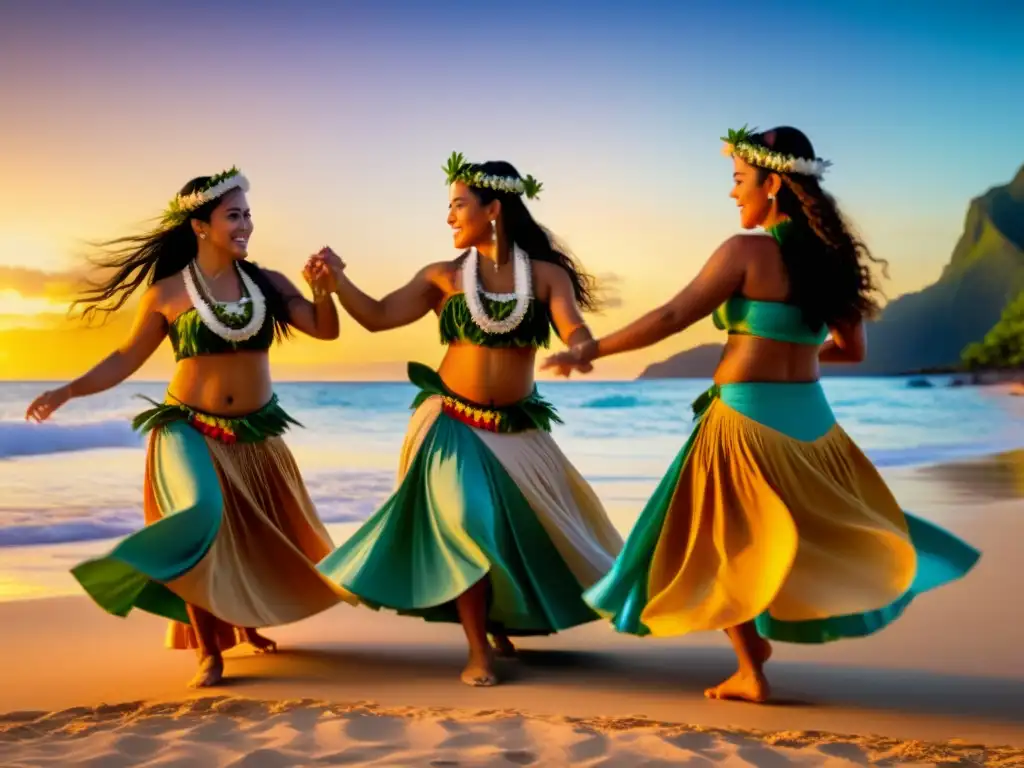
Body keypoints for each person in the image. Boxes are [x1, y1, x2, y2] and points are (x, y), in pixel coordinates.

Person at [542, 127, 981, 703]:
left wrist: (589, 350)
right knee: (801, 533)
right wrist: (792, 349)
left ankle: (751, 667)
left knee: (713, 541)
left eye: (739, 181)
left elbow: (674, 313)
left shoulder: (747, 252)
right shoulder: (833, 262)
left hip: (745, 424)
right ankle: (756, 656)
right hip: (814, 425)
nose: (733, 194)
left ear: (772, 183)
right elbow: (852, 351)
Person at [25, 168, 355, 688]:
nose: (245, 224)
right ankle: (208, 651)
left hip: (254, 435)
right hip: (187, 427)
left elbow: (325, 330)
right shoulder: (167, 294)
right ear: (200, 226)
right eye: (233, 215)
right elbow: (126, 357)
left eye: (247, 214)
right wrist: (69, 390)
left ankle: (244, 623)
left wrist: (323, 291)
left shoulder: (268, 284)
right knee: (200, 517)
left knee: (246, 533)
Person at [306, 153, 623, 687]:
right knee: (467, 520)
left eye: (457, 205)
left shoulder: (545, 276)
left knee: (517, 531)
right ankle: (478, 650)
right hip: (450, 423)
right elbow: (380, 316)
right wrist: (337, 284)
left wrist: (581, 348)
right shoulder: (444, 276)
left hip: (518, 430)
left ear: (493, 209)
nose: (449, 217)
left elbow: (574, 326)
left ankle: (498, 621)